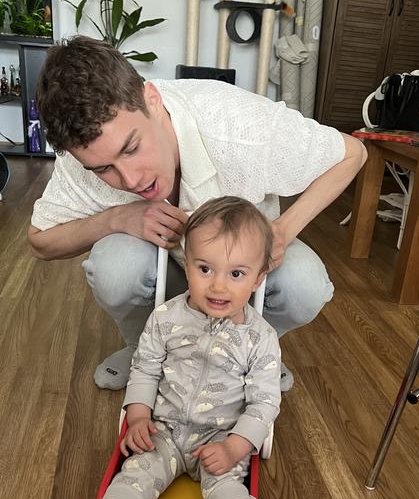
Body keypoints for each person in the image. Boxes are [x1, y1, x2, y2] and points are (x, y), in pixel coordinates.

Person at [28, 35, 367, 393]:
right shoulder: (82, 156)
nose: (130, 180)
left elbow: (354, 153)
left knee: (305, 286)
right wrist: (116, 219)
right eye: (103, 169)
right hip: (167, 271)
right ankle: (145, 350)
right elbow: (40, 241)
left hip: (243, 275)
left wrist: (284, 228)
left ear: (152, 99)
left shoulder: (239, 122)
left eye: (131, 148)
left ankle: (256, 350)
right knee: (115, 267)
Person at [64, 197, 282, 499]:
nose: (217, 285)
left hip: (220, 438)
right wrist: (138, 414)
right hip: (163, 429)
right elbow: (144, 368)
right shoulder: (166, 318)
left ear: (259, 278)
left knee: (229, 491)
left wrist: (237, 446)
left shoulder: (261, 339)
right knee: (136, 473)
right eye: (205, 269)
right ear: (187, 262)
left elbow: (264, 403)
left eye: (236, 274)